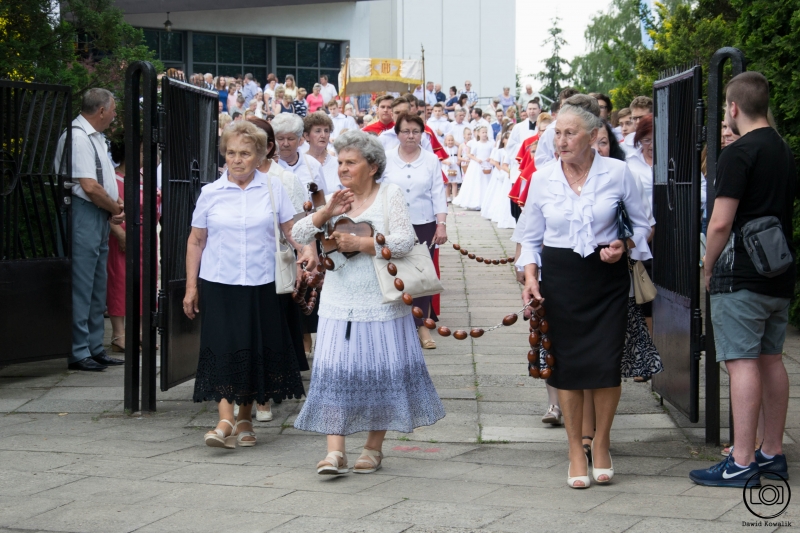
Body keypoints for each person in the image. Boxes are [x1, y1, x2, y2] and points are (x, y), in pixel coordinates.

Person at [292, 131, 445, 474]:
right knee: (334, 373)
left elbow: (406, 239)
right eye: (341, 162)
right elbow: (299, 235)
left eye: (351, 162)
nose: (343, 168)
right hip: (337, 302)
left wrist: (361, 244)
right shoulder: (336, 198)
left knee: (381, 374)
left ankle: (373, 448)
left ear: (372, 166)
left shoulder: (389, 194)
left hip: (382, 303)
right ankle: (334, 451)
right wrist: (326, 212)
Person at [518, 97, 652, 489]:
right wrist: (530, 278)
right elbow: (529, 239)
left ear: (593, 136)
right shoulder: (542, 177)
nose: (560, 140)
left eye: (569, 133)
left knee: (607, 364)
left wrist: (623, 245)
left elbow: (644, 225)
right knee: (569, 368)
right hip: (560, 279)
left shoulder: (618, 172)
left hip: (605, 278)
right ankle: (576, 448)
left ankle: (603, 441)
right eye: (557, 133)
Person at [690, 71, 796, 487]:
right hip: (779, 273)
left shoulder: (738, 153)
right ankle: (772, 453)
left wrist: (708, 266)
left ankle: (742, 460)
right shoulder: (783, 150)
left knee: (741, 363)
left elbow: (720, 223)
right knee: (771, 359)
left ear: (732, 108)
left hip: (741, 275)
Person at [186, 120, 315, 448]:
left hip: (261, 282)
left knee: (252, 349)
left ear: (260, 155)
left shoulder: (273, 189)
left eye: (244, 153)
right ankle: (225, 419)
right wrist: (191, 286)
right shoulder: (210, 193)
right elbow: (196, 241)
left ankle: (245, 419)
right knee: (222, 348)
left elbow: (292, 231)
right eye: (231, 153)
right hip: (219, 282)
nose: (237, 159)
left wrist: (306, 250)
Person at [54, 88, 125, 372]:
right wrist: (115, 208)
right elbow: (89, 186)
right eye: (114, 110)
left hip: (95, 214)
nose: (115, 115)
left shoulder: (92, 137)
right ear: (101, 111)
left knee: (97, 283)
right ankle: (79, 350)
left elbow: (100, 183)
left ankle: (94, 347)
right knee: (82, 284)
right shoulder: (78, 138)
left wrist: (111, 203)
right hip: (83, 213)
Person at [381, 113, 448, 348]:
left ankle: (422, 328)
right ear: (397, 134)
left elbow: (438, 192)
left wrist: (441, 223)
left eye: (416, 131)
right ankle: (395, 327)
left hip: (424, 224)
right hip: (393, 225)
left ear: (423, 134)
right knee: (393, 273)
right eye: (406, 131)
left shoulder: (431, 160)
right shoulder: (386, 158)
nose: (411, 136)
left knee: (421, 277)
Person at [106, 141, 145, 354]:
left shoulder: (141, 178)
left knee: (141, 282)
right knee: (119, 281)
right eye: (141, 150)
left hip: (142, 234)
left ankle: (137, 332)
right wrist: (119, 233)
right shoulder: (113, 178)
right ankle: (118, 333)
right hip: (121, 233)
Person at [272, 113, 326, 199]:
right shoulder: (268, 168)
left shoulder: (313, 165)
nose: (285, 144)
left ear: (300, 140)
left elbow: (322, 202)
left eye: (291, 139)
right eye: (280, 139)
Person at [534, 87, 580, 167]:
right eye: (563, 107)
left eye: (570, 106)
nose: (566, 110)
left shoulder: (585, 129)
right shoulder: (550, 131)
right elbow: (540, 162)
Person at [453, 125, 493, 210]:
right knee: (477, 182)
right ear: (478, 134)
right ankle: (476, 201)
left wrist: (490, 158)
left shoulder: (490, 144)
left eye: (486, 132)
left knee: (486, 182)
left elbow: (492, 154)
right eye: (483, 132)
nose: (485, 134)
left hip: (486, 165)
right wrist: (476, 159)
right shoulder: (476, 144)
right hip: (477, 165)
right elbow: (469, 154)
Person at [304, 112, 342, 193]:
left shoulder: (338, 163)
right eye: (318, 131)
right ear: (307, 136)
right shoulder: (301, 162)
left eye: (326, 131)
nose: (323, 135)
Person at [443, 134, 461, 201]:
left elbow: (459, 156)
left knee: (454, 183)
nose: (450, 142)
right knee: (448, 183)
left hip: (454, 166)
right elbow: (440, 159)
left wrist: (459, 161)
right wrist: (446, 162)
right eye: (449, 140)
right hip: (447, 167)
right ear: (445, 141)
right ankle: (448, 197)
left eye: (452, 140)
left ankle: (454, 197)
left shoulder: (456, 148)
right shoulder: (444, 149)